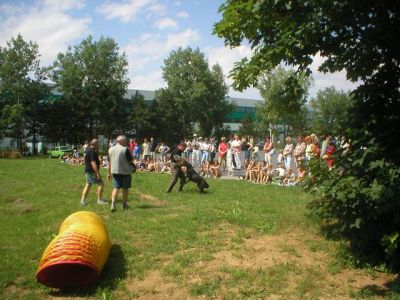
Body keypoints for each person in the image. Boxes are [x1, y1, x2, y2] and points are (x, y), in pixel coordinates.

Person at [107, 135, 135, 212]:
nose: (126, 142)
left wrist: (108, 173)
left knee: (116, 188)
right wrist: (134, 166)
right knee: (125, 188)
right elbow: (130, 161)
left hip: (115, 172)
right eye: (125, 140)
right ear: (121, 141)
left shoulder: (110, 150)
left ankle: (113, 204)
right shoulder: (125, 149)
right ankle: (124, 204)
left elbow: (109, 163)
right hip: (125, 172)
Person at [80, 139, 107, 206]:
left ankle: (83, 200)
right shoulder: (92, 151)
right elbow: (93, 163)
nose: (99, 145)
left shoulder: (88, 149)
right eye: (98, 144)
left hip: (88, 170)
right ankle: (99, 200)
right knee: (101, 184)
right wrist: (97, 173)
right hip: (92, 171)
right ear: (95, 144)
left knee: (88, 184)